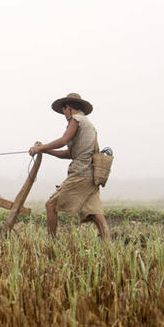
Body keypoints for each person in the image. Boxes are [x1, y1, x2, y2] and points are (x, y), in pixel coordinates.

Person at [29, 93, 109, 240]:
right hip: (92, 175)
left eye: (64, 111)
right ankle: (108, 245)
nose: (64, 114)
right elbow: (68, 153)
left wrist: (40, 148)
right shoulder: (89, 125)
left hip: (81, 174)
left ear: (69, 108)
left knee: (50, 205)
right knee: (95, 213)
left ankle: (51, 243)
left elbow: (63, 140)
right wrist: (46, 150)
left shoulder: (76, 119)